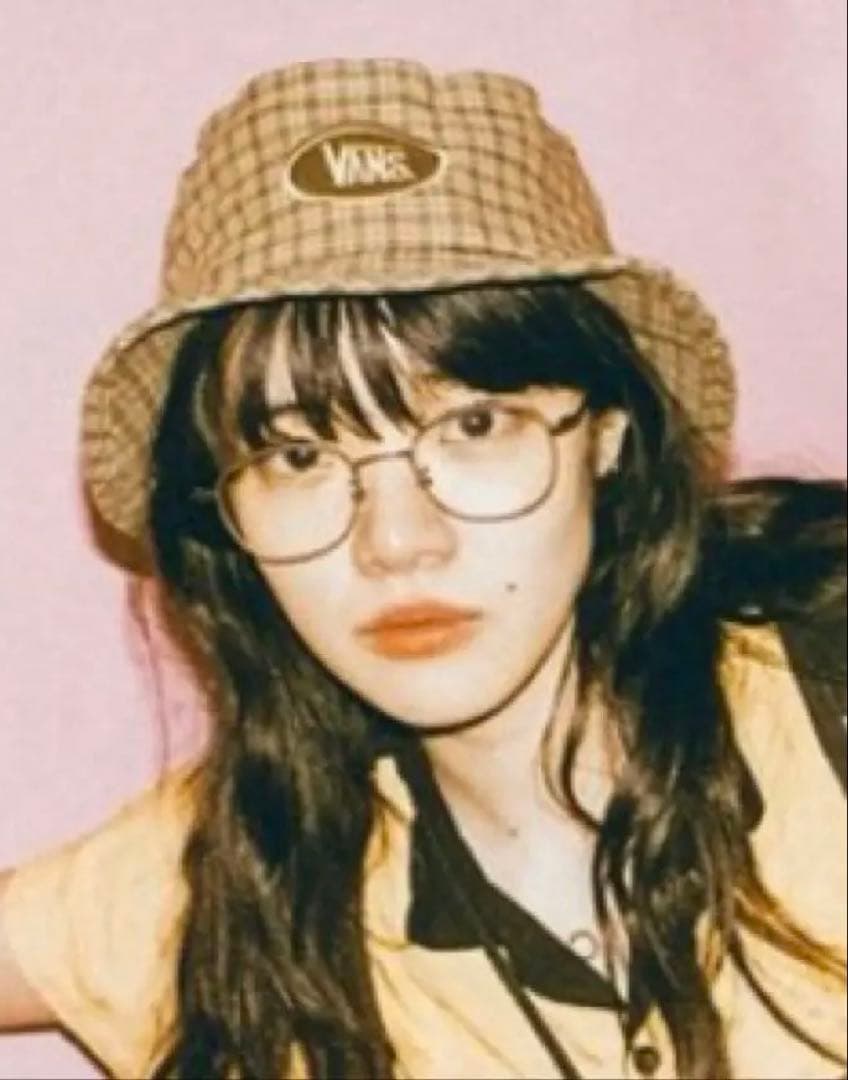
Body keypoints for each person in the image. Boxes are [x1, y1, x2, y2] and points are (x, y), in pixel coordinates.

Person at [0, 58, 845, 1080]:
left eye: (474, 425)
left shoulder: (818, 690)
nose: (396, 541)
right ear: (221, 513)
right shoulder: (242, 871)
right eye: (299, 456)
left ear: (607, 438)